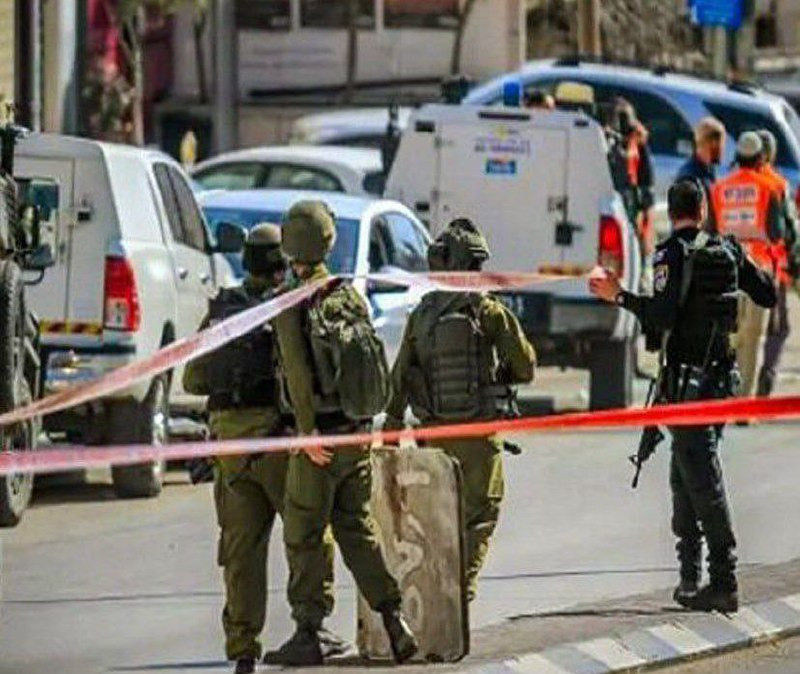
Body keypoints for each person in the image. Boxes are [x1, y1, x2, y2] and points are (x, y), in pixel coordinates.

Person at [590, 178, 777, 612]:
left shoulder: (670, 254)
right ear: (704, 211)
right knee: (685, 474)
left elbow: (660, 315)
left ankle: (724, 579)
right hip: (719, 382)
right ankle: (690, 577)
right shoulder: (727, 250)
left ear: (672, 213)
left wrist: (618, 296)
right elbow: (767, 293)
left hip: (688, 386)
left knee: (702, 479)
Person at [182, 224, 343, 674]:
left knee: (241, 554)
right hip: (279, 444)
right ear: (282, 262)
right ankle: (310, 629)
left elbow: (193, 379)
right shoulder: (288, 305)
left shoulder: (224, 310)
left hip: (231, 451)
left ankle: (243, 649)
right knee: (308, 536)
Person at [271, 200, 418, 667]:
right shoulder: (347, 295)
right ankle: (393, 618)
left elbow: (297, 373)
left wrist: (307, 432)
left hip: (319, 442)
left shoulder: (292, 301)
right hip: (356, 434)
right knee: (357, 531)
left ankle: (308, 630)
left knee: (305, 535)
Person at [384, 218, 536, 602]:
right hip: (479, 439)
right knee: (479, 517)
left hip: (432, 440)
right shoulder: (489, 311)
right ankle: (460, 594)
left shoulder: (421, 315)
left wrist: (390, 432)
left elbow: (399, 378)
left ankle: (436, 597)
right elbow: (525, 367)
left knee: (436, 523)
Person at [711, 131, 785, 400]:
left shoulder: (719, 188)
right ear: (760, 158)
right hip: (757, 271)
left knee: (728, 337)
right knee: (752, 340)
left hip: (726, 272)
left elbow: (710, 231)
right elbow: (776, 233)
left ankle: (723, 397)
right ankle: (744, 403)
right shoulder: (768, 188)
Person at [756, 129, 799, 396]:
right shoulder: (777, 184)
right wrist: (794, 265)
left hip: (737, 269)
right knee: (778, 327)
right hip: (771, 268)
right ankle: (766, 374)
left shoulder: (732, 184)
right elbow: (788, 231)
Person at [676, 116, 726, 230]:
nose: (723, 149)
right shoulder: (689, 177)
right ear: (713, 143)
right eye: (722, 143)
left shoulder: (708, 171)